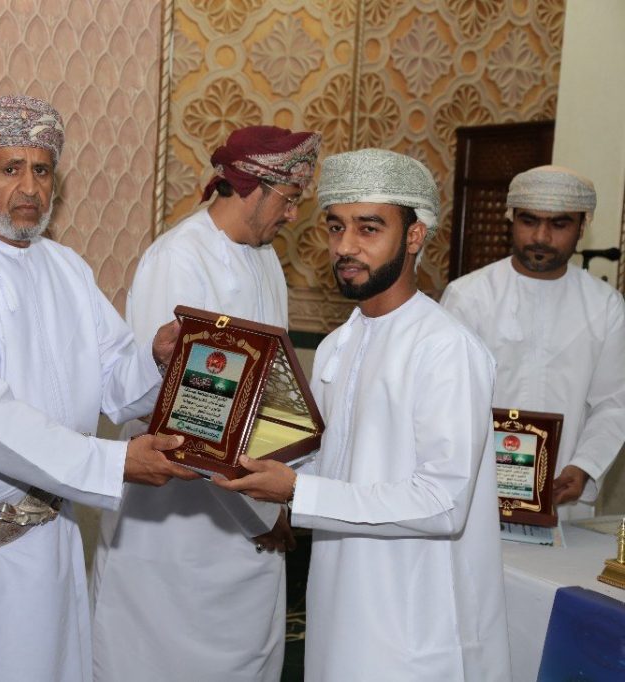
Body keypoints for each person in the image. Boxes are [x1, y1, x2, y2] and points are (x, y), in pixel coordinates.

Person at [0, 95, 198, 682]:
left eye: (43, 169)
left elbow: (114, 381)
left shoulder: (67, 268)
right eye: (11, 169)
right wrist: (113, 463)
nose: (30, 187)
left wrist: (157, 361)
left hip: (50, 528)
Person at [216, 148, 512, 681]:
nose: (345, 246)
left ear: (415, 236)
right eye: (336, 227)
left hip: (414, 625)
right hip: (339, 606)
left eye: (368, 228)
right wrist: (240, 453)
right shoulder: (338, 345)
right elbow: (329, 464)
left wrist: (297, 491)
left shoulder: (446, 348)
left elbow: (443, 503)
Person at [89, 126, 321, 682]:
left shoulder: (265, 259)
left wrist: (280, 495)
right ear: (251, 186)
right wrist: (262, 512)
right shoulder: (179, 258)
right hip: (176, 521)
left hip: (248, 501)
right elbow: (185, 416)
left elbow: (267, 392)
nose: (293, 215)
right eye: (289, 199)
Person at [441, 166, 625, 519]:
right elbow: (446, 400)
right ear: (511, 218)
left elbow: (613, 404)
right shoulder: (468, 296)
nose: (541, 236)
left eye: (559, 224)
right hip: (477, 491)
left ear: (582, 226)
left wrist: (585, 466)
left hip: (563, 493)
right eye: (529, 221)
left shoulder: (605, 306)